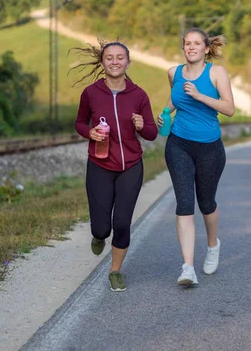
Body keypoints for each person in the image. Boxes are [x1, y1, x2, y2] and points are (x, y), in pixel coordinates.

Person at [73, 39, 157, 292]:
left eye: (120, 57)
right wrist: (90, 133)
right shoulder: (90, 93)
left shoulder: (139, 94)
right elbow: (79, 123)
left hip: (131, 165)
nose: (115, 62)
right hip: (99, 164)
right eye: (109, 58)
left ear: (128, 62)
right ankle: (99, 235)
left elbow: (152, 133)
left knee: (122, 222)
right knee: (101, 226)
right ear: (102, 62)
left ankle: (115, 271)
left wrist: (143, 126)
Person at [158, 28, 235, 286]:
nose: (191, 47)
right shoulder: (174, 73)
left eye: (196, 44)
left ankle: (213, 245)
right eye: (187, 44)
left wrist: (200, 95)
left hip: (209, 147)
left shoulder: (216, 73)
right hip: (178, 144)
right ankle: (188, 267)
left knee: (206, 202)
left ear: (205, 48)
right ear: (183, 48)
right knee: (184, 204)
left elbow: (229, 108)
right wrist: (166, 111)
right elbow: (176, 98)